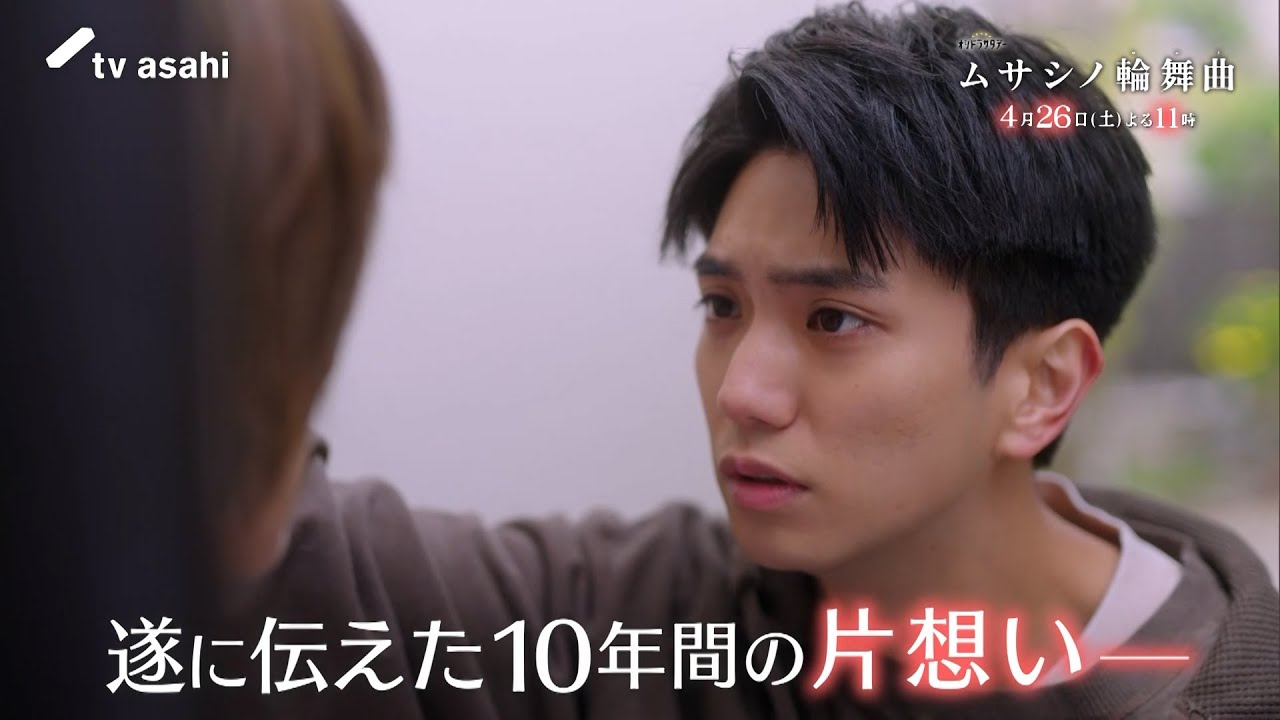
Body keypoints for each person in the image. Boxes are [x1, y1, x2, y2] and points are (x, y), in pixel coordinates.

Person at [185, 1, 1278, 718]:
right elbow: (284, 552)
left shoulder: (1216, 688)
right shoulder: (663, 624)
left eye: (832, 321)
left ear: (1040, 386)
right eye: (721, 305)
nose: (741, 393)